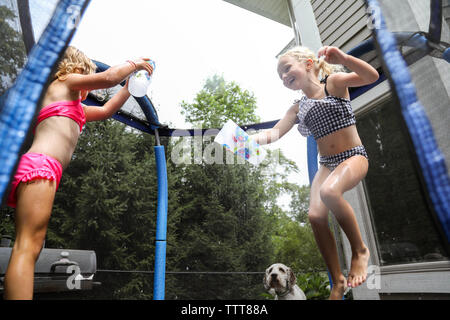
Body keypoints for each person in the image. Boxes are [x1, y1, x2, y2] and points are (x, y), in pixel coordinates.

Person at [4, 46, 153, 300]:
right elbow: (108, 79)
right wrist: (135, 63)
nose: (86, 86)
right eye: (87, 76)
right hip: (41, 166)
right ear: (75, 69)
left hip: (42, 169)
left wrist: (129, 87)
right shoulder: (64, 82)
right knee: (27, 247)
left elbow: (107, 111)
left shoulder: (76, 108)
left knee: (30, 246)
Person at [252, 46, 379, 300]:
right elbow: (274, 133)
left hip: (353, 156)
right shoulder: (298, 108)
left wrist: (342, 58)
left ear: (309, 63)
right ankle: (338, 280)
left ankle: (360, 250)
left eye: (286, 68)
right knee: (315, 215)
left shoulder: (333, 84)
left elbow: (371, 76)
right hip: (328, 164)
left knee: (329, 192)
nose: (284, 76)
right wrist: (245, 140)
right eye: (280, 75)